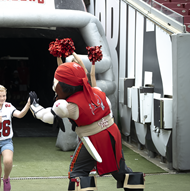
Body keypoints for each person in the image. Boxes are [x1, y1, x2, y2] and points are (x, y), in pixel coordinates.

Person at [29, 62, 145, 191]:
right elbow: (107, 111)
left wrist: (35, 107)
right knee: (119, 168)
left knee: (77, 172)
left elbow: (48, 117)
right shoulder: (97, 92)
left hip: (94, 139)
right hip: (112, 132)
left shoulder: (69, 106)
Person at [0, 85, 31, 191]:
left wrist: (28, 104)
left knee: (8, 161)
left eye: (4, 96)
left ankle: (6, 178)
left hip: (6, 141)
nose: (2, 98)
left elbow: (19, 115)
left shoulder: (9, 106)